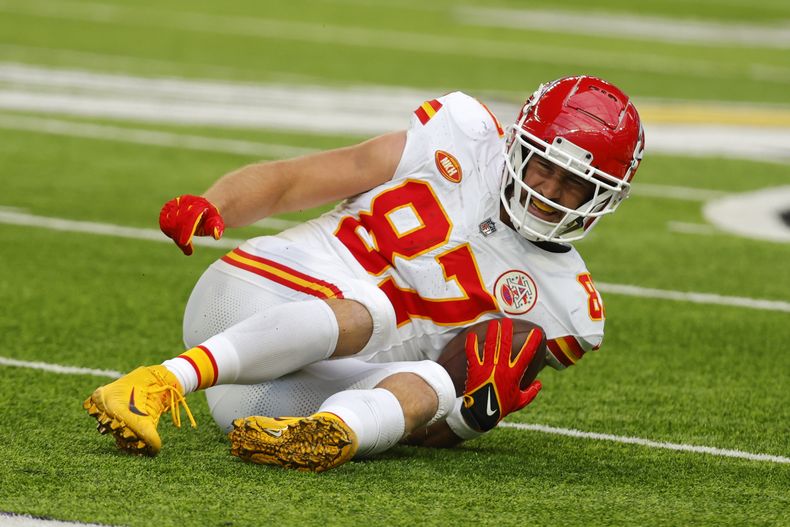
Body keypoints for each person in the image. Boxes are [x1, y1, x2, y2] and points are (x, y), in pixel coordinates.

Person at [83, 75, 644, 472]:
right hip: (249, 299)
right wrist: (217, 203)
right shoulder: (459, 136)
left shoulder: (567, 306)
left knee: (434, 382)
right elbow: (298, 178)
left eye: (576, 184)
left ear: (605, 198)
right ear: (519, 141)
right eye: (545, 165)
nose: (549, 192)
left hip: (270, 399)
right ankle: (158, 383)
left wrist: (471, 418)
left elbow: (426, 429)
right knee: (376, 309)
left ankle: (322, 437)